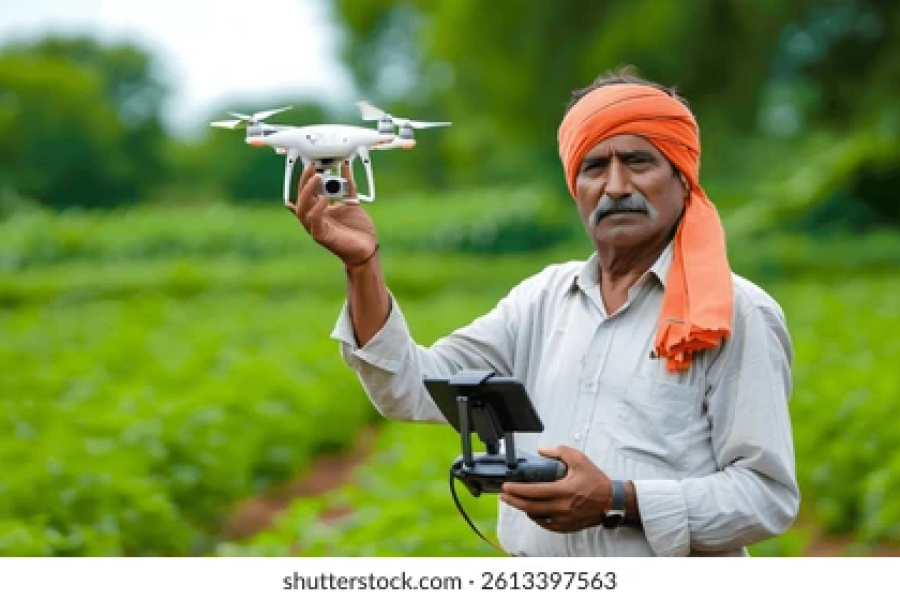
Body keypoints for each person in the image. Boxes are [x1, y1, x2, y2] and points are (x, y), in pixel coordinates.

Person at [287, 67, 800, 557]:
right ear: (575, 186)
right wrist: (362, 266)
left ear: (682, 178)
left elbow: (765, 496)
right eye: (595, 167)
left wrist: (618, 500)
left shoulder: (736, 312)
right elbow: (410, 388)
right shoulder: (542, 300)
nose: (616, 186)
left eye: (638, 162)